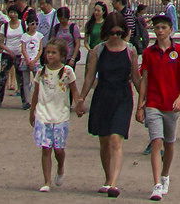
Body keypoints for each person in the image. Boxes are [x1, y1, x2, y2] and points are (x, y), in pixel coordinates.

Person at [76, 13, 142, 197]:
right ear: (106, 32)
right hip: (103, 96)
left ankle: (113, 183)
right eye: (112, 33)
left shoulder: (130, 51)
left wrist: (143, 102)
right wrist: (81, 99)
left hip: (122, 97)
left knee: (116, 139)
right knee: (104, 141)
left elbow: (136, 78)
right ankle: (108, 178)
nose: (116, 36)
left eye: (119, 33)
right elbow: (89, 77)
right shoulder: (98, 50)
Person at [139, 14, 180, 201]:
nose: (160, 31)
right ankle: (156, 184)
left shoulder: (179, 51)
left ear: (170, 29)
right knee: (156, 142)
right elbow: (144, 79)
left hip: (171, 104)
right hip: (153, 103)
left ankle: (165, 175)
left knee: (169, 143)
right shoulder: (148, 53)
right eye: (157, 28)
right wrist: (140, 105)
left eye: (163, 28)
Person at [29, 40, 76, 192]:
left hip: (61, 115)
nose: (50, 55)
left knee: (59, 149)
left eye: (53, 52)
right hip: (43, 114)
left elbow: (74, 91)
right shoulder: (40, 72)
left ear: (61, 55)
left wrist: (79, 104)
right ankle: (47, 181)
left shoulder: (67, 71)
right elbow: (36, 93)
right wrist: (32, 112)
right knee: (46, 148)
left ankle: (61, 166)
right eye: (48, 52)